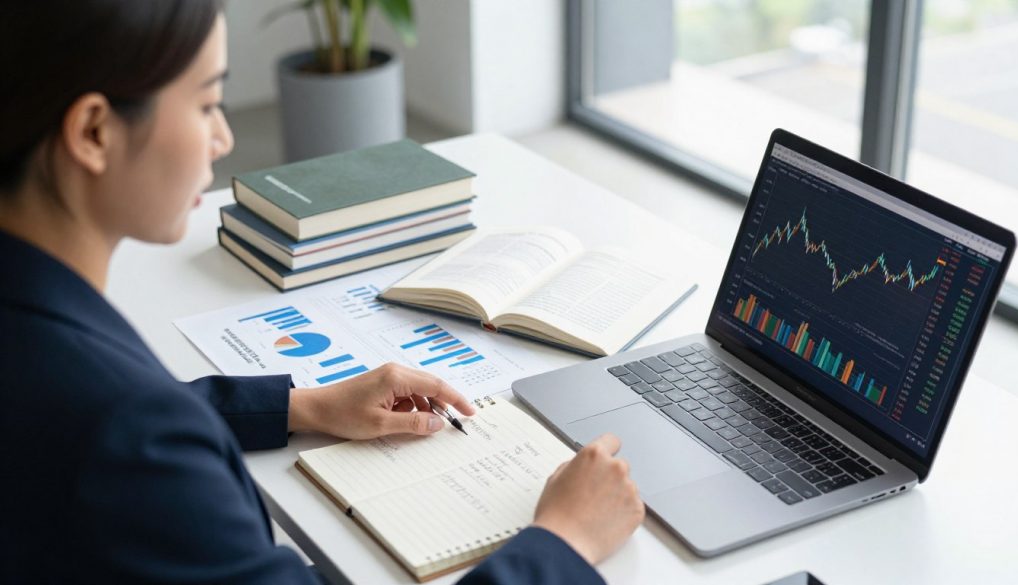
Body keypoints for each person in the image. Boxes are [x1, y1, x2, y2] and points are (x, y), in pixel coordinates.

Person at [0, 1, 645, 584]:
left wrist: (301, 407)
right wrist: (564, 540)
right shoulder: (128, 436)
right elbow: (117, 429)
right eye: (204, 105)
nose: (224, 138)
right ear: (93, 132)